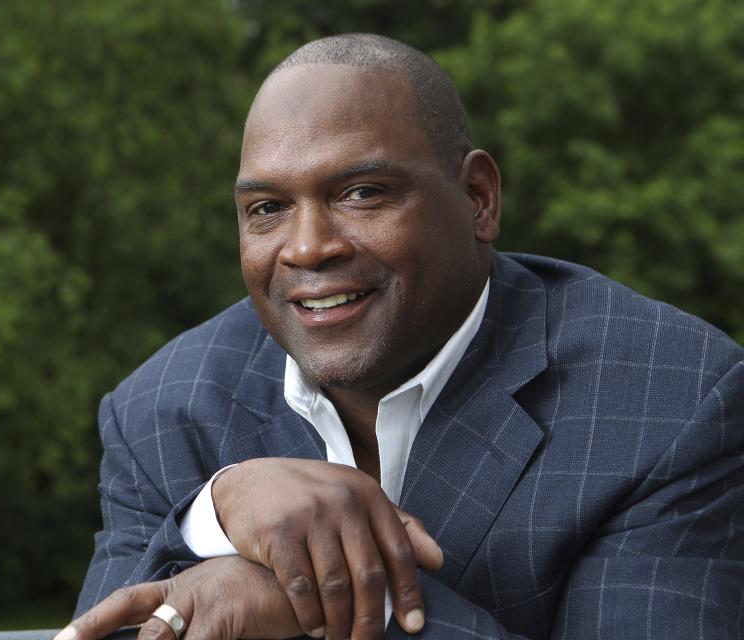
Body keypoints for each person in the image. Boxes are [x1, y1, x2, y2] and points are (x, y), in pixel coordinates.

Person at [58, 34, 744, 639]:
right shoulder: (162, 411)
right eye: (267, 209)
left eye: (361, 193)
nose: (307, 248)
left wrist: (329, 598)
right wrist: (218, 508)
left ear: (478, 198)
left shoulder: (670, 398)